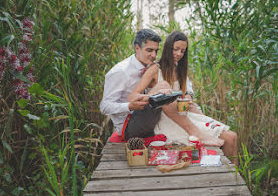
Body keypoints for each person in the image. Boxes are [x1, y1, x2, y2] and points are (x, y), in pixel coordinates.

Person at [128, 31, 239, 166]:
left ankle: (235, 178)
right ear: (168, 48)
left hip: (184, 114)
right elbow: (133, 96)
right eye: (176, 49)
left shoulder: (180, 69)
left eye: (182, 51)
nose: (179, 54)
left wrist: (187, 97)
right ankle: (198, 135)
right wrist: (155, 95)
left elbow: (185, 94)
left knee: (232, 137)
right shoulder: (155, 69)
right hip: (166, 118)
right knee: (224, 139)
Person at [100, 29, 172, 140]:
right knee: (163, 86)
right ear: (137, 48)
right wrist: (129, 106)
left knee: (168, 92)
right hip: (128, 127)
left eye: (156, 51)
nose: (154, 55)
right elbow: (104, 106)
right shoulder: (120, 72)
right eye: (149, 50)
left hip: (145, 116)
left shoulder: (150, 66)